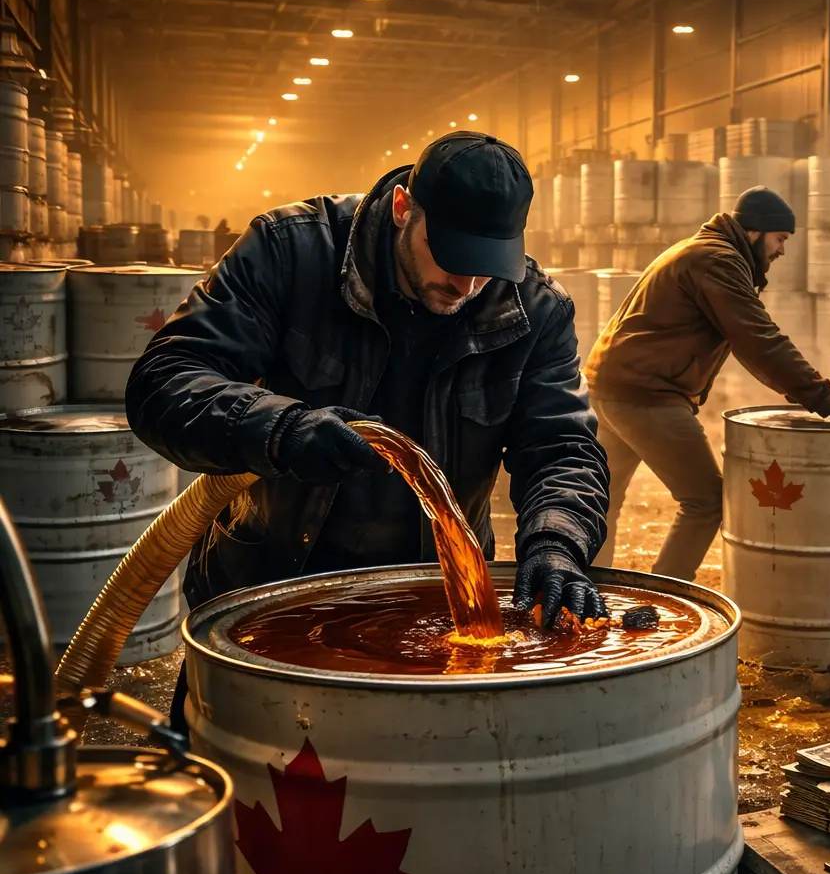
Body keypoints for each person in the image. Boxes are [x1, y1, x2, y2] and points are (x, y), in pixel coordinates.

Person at [127, 131, 610, 727]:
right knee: (241, 786)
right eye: (452, 258)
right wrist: (283, 427)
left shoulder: (532, 309)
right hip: (273, 591)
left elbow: (561, 446)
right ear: (405, 208)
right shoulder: (291, 252)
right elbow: (165, 380)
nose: (466, 287)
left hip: (436, 604)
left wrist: (558, 544)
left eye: (487, 268)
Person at [582, 186, 830, 582]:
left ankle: (585, 590)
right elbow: (761, 341)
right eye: (780, 239)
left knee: (602, 500)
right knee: (706, 499)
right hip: (646, 396)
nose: (782, 250)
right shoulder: (717, 262)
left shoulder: (698, 250)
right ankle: (667, 596)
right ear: (754, 233)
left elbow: (749, 344)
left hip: (610, 386)